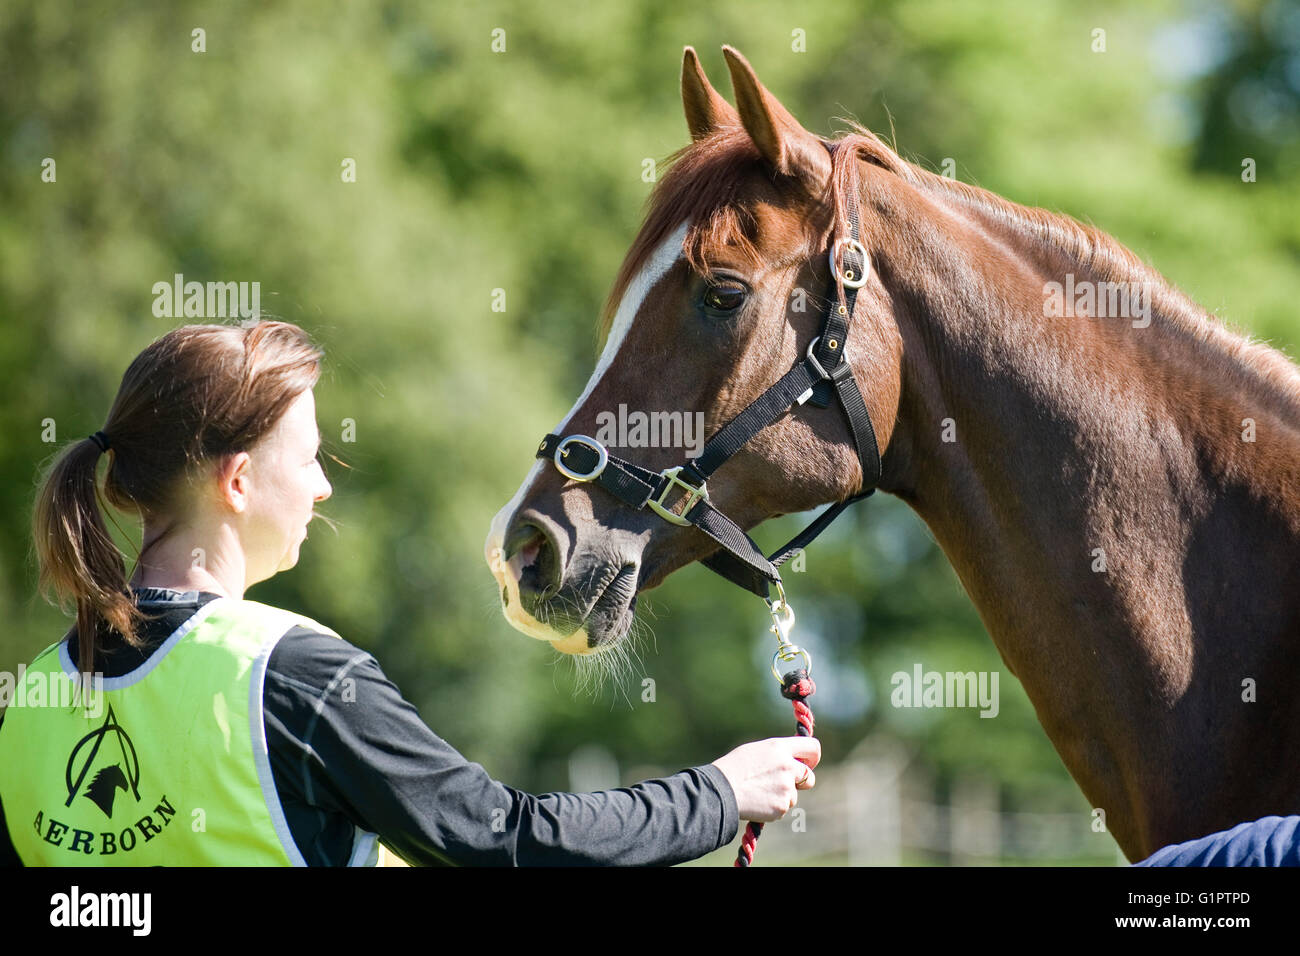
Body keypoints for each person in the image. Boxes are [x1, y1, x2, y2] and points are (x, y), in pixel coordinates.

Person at [0, 320, 818, 867]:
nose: (322, 488)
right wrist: (717, 793)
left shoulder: (29, 699)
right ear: (239, 482)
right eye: (311, 458)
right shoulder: (291, 677)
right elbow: (505, 842)